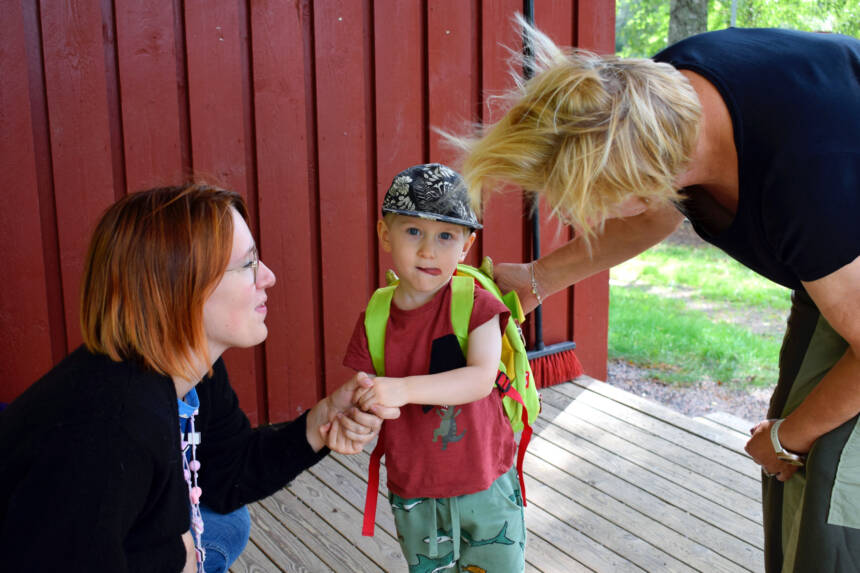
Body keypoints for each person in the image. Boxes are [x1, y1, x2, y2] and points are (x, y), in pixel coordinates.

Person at [453, 19, 860, 573]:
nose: (588, 216)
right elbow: (657, 209)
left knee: (833, 490)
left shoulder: (802, 183)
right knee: (798, 480)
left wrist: (789, 438)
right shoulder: (655, 92)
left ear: (638, 181)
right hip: (838, 270)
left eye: (592, 202)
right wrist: (538, 278)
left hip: (841, 248)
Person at [0, 183, 398, 573]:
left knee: (227, 524)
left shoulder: (190, 369)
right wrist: (173, 557)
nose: (269, 277)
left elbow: (227, 474)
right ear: (180, 288)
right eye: (247, 265)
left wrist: (321, 422)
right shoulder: (113, 427)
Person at [343, 163, 526, 572]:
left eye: (446, 236)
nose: (429, 250)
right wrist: (364, 408)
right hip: (415, 490)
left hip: (485, 481)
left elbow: (480, 378)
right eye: (413, 232)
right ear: (384, 234)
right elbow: (363, 390)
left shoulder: (476, 305)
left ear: (466, 245)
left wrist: (404, 390)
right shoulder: (376, 316)